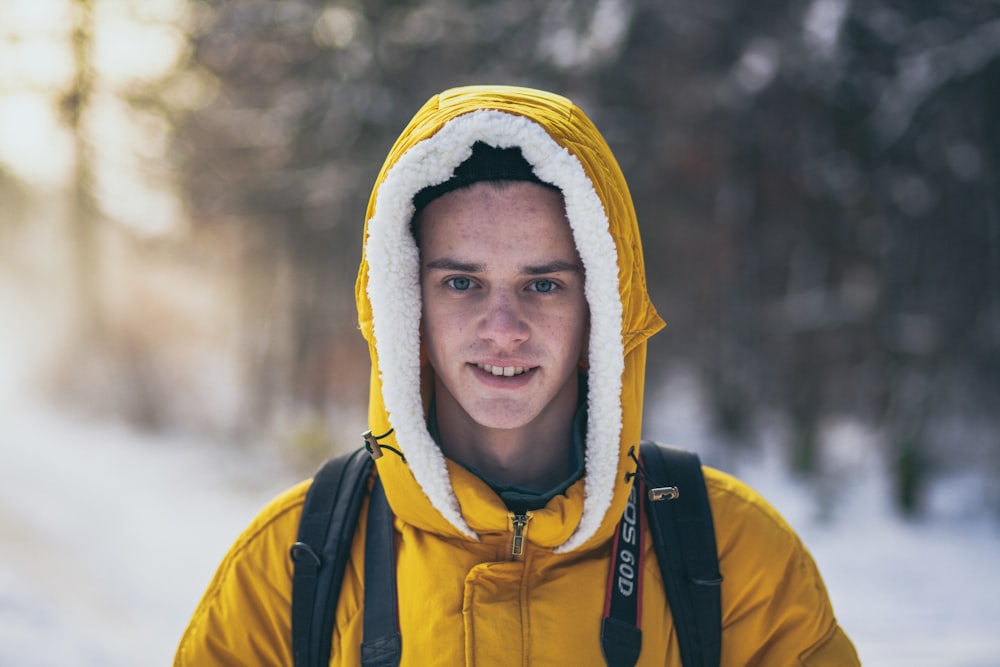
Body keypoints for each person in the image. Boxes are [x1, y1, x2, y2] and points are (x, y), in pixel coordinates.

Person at [174, 85, 859, 666]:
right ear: (406, 304)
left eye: (543, 285)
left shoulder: (736, 558)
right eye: (464, 281)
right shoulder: (293, 566)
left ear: (602, 307)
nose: (503, 328)